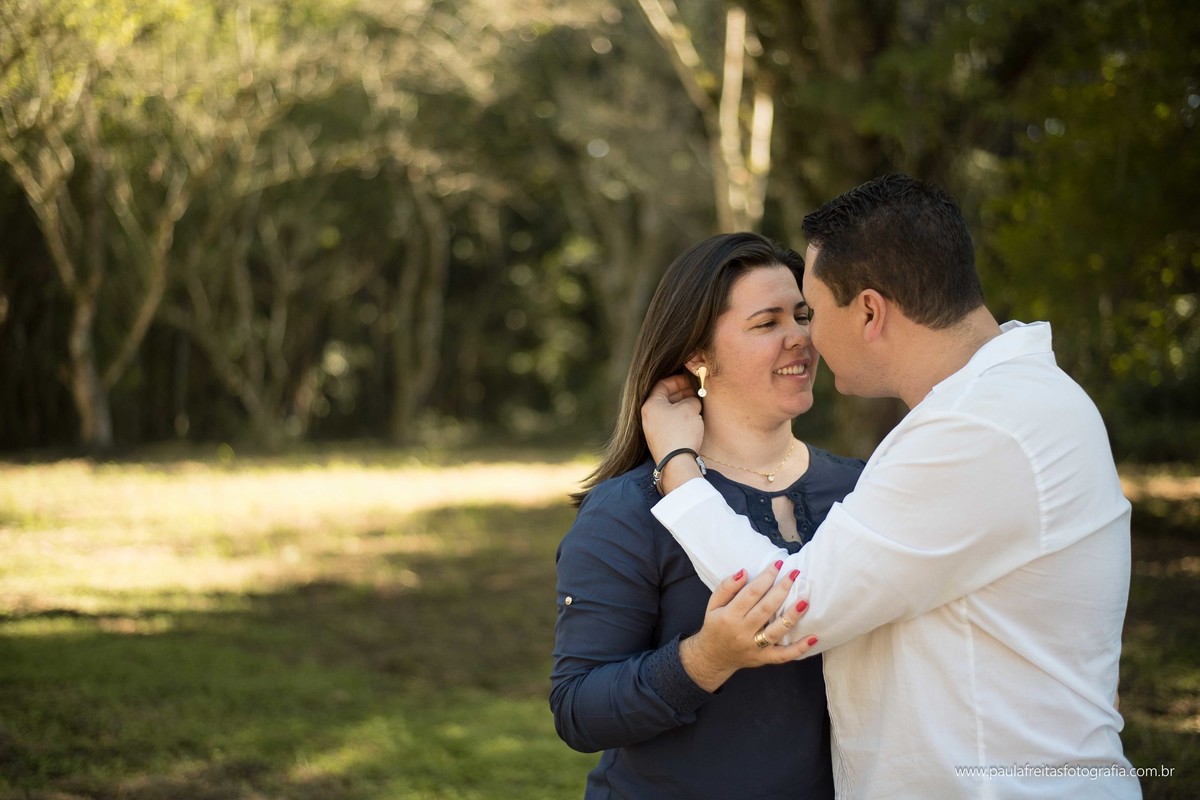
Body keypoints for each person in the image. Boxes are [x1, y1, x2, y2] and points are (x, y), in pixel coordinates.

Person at [642, 174, 1141, 799]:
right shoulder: (1014, 404)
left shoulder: (980, 427)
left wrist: (678, 467)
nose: (807, 338)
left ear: (871, 311)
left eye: (813, 313)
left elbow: (788, 612)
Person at [550, 232, 865, 799]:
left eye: (802, 315)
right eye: (766, 323)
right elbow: (578, 710)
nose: (799, 337)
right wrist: (705, 659)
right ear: (698, 355)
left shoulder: (864, 487)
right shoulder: (629, 510)